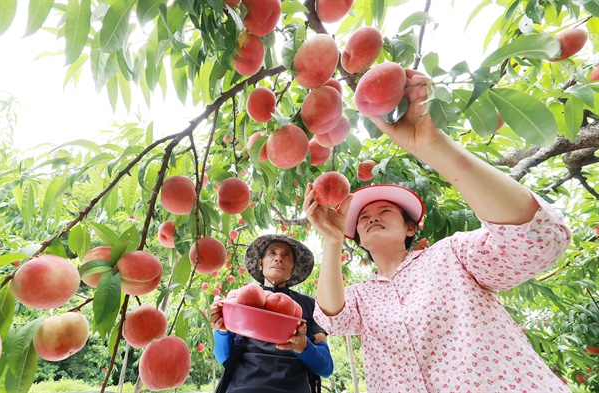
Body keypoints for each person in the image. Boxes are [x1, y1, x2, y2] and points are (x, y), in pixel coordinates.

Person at [303, 69, 572, 392]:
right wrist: (332, 242)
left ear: (410, 228)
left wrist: (434, 146)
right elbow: (332, 319)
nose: (372, 217)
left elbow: (538, 240)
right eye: (362, 218)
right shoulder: (363, 296)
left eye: (386, 210)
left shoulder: (452, 255)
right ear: (357, 239)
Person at [210, 234, 333, 393]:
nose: (279, 258)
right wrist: (221, 328)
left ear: (293, 267)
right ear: (261, 264)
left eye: (286, 255)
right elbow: (223, 358)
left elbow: (326, 368)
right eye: (272, 253)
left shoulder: (309, 305)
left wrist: (303, 346)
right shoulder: (241, 298)